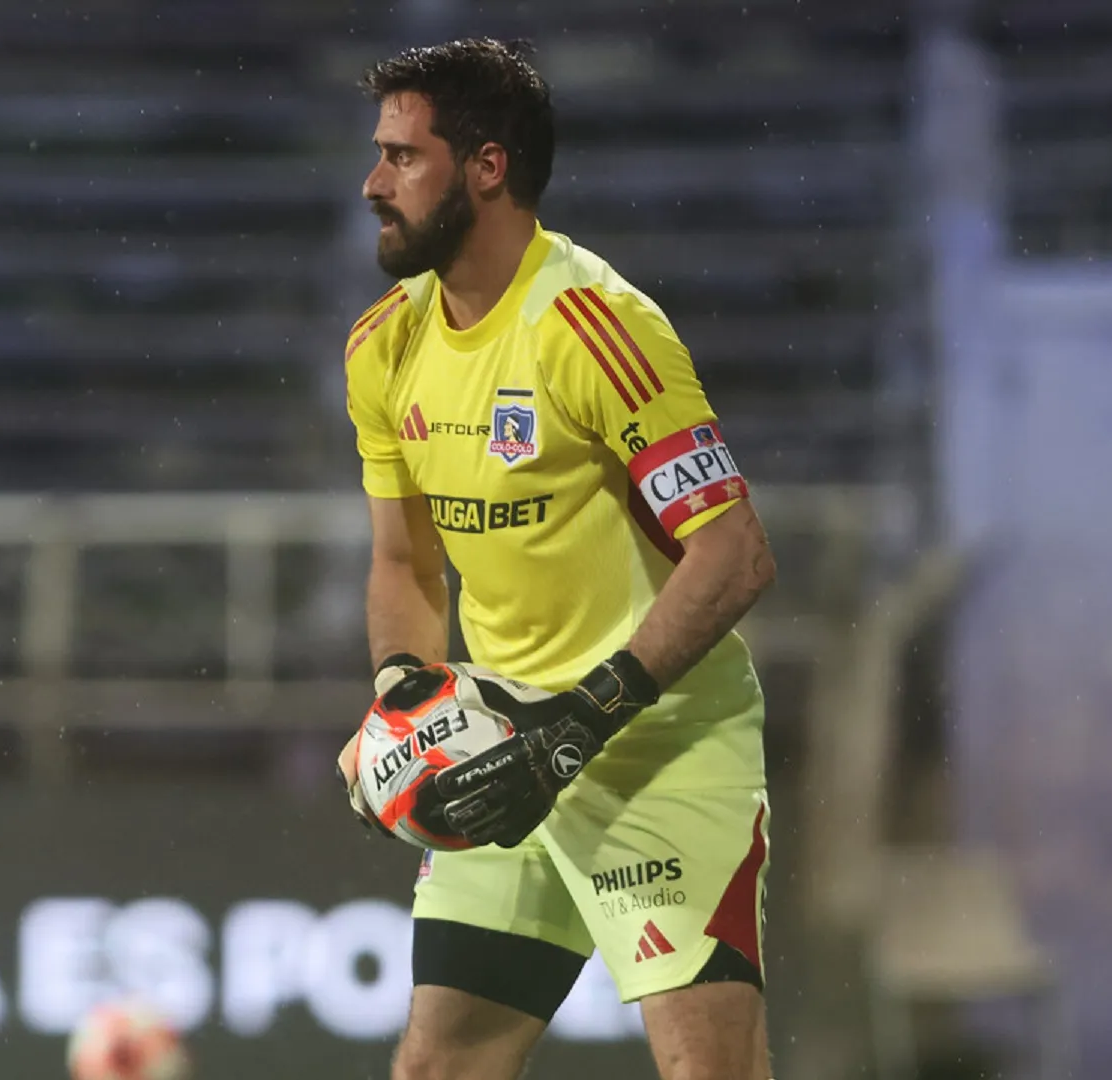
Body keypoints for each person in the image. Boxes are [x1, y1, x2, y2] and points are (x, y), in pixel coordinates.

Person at [334, 38, 780, 1080]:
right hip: (503, 753)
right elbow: (404, 566)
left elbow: (737, 554)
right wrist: (403, 701)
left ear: (487, 167)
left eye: (403, 156)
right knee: (436, 1068)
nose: (372, 183)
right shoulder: (381, 347)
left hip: (656, 755)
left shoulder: (597, 328)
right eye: (378, 154)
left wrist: (580, 724)